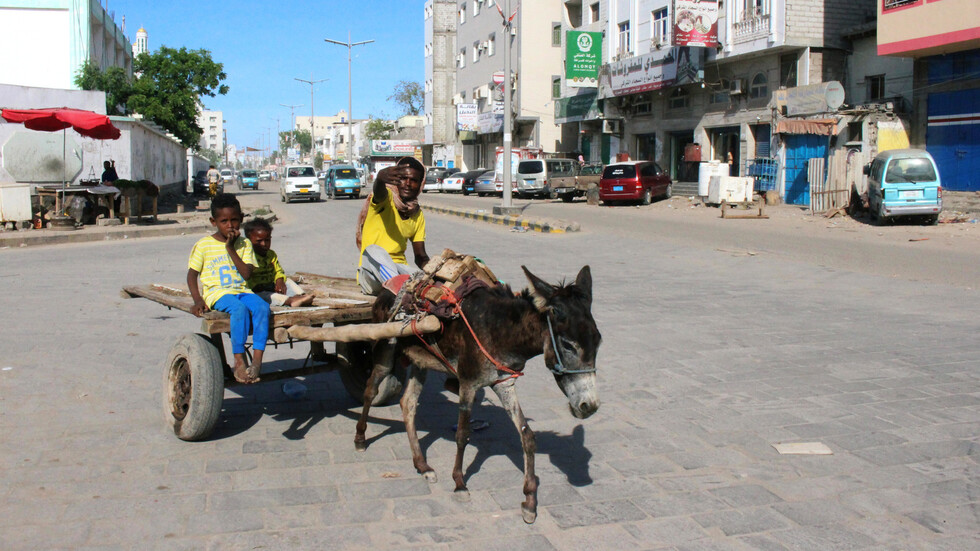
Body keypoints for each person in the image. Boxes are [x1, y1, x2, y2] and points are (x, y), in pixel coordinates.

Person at [187, 193, 270, 384]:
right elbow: (192, 275)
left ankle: (257, 360)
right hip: (218, 293)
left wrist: (231, 248)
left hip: (242, 290)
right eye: (224, 221)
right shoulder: (204, 245)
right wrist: (198, 300)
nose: (230, 225)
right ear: (213, 221)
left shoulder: (244, 244)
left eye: (234, 220)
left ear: (241, 219)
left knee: (262, 308)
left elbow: (247, 275)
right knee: (238, 310)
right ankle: (239, 360)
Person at [354, 157, 430, 295]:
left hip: (399, 269)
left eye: (413, 180)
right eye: (402, 178)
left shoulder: (417, 214)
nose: (407, 184)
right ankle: (400, 291)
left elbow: (420, 256)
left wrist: (436, 272)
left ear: (420, 184)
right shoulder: (386, 198)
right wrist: (380, 179)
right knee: (373, 250)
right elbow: (379, 191)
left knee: (424, 279)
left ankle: (400, 287)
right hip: (371, 272)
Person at [243, 217, 315, 307]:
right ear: (248, 241)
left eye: (267, 240)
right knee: (268, 297)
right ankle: (291, 301)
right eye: (259, 241)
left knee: (287, 281)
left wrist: (279, 280)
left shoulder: (271, 255)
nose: (263, 244)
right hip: (257, 291)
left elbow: (279, 270)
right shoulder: (247, 256)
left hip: (271, 286)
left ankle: (301, 296)